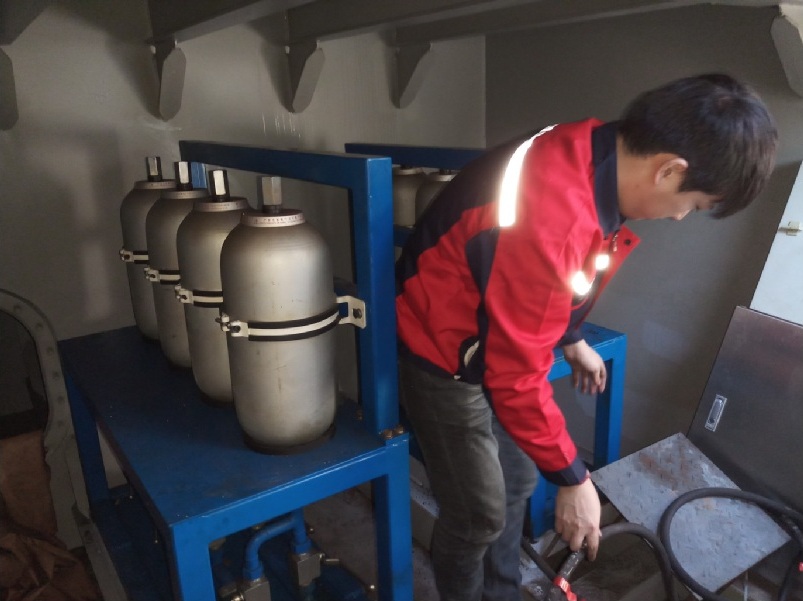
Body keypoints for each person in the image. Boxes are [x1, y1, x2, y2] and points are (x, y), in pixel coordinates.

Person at [395, 73, 777, 601]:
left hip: (487, 334)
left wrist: (571, 336)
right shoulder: (555, 215)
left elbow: (562, 279)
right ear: (669, 169)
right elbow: (515, 374)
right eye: (693, 203)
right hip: (442, 352)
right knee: (479, 514)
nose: (680, 216)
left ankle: (500, 593)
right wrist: (574, 480)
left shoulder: (594, 150)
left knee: (517, 483)